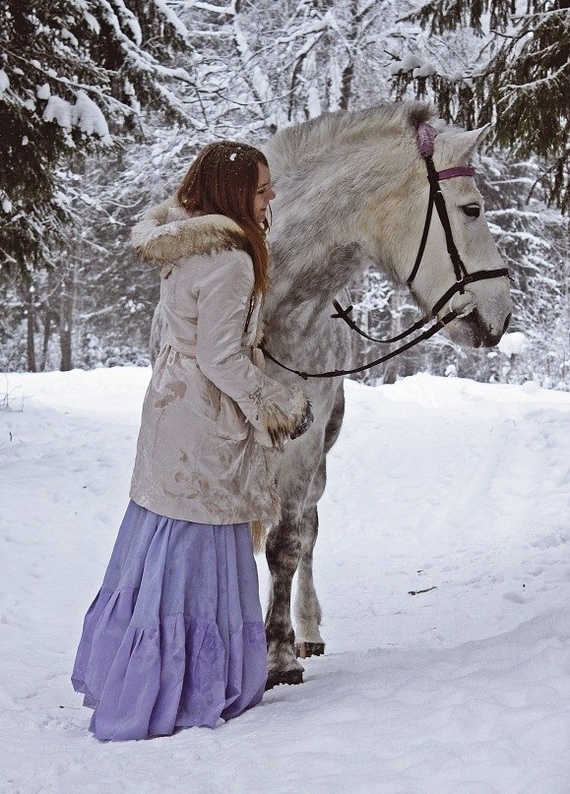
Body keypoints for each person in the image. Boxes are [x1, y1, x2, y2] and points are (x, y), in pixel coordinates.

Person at [71, 141, 312, 742]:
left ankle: (139, 675)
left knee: (163, 535)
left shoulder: (190, 247)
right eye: (261, 189)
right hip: (205, 417)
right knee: (195, 540)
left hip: (171, 406)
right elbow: (221, 356)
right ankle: (182, 687)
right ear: (234, 195)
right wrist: (272, 404)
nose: (271, 198)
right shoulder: (230, 262)